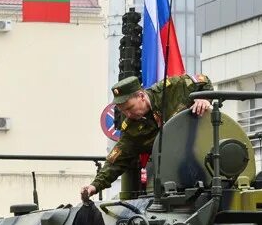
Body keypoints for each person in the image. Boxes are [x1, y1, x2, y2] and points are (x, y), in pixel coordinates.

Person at [80, 73, 214, 201]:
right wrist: (94, 186)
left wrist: (204, 97)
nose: (128, 114)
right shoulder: (131, 129)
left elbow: (203, 81)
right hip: (170, 177)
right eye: (123, 111)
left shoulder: (171, 89)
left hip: (204, 159)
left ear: (141, 96)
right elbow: (117, 160)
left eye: (130, 107)